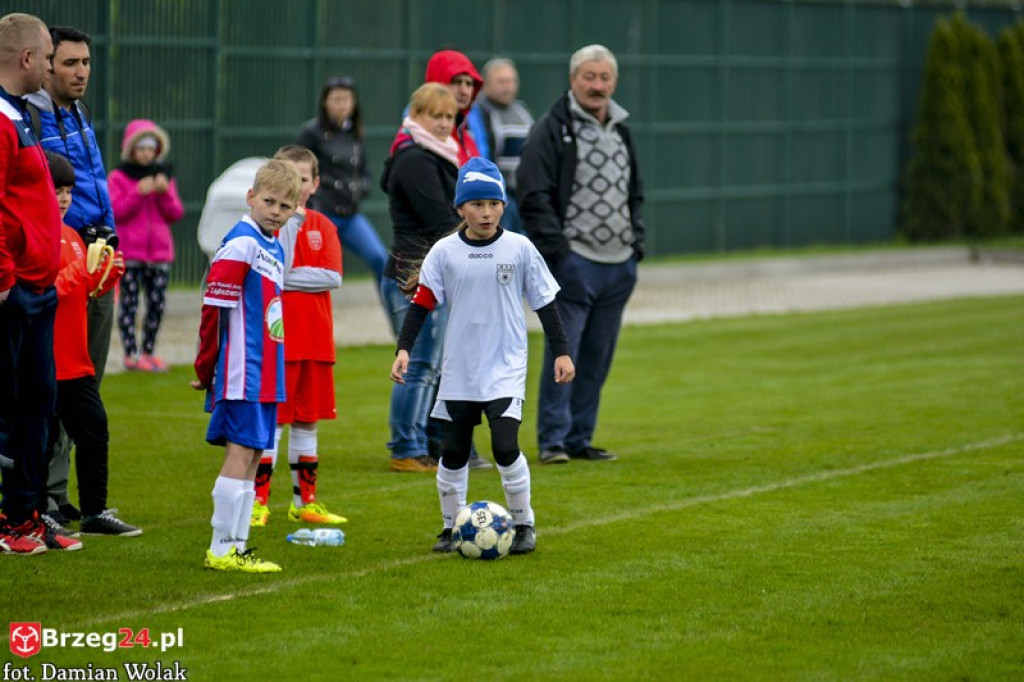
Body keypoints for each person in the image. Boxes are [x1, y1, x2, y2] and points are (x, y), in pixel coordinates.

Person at [390, 157, 574, 555]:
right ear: (460, 209)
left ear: (503, 205)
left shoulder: (519, 247)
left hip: (505, 366)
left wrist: (561, 352)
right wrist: (403, 349)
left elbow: (545, 303)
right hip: (460, 370)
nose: (486, 212)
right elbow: (421, 304)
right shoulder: (445, 252)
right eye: (476, 204)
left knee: (505, 446)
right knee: (453, 451)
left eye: (493, 203)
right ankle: (450, 528)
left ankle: (524, 524)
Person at [516, 44, 645, 465]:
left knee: (597, 358)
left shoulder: (622, 129)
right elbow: (532, 194)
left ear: (614, 82)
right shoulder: (551, 129)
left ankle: (579, 437)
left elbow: (635, 193)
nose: (597, 85)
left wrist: (635, 246)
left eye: (604, 78)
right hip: (573, 263)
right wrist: (559, 254)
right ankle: (553, 439)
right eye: (589, 77)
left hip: (618, 263)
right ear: (573, 80)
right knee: (564, 353)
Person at [191, 159, 300, 574]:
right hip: (242, 371)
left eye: (285, 206)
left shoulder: (272, 243)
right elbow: (212, 311)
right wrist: (206, 369)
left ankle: (238, 545)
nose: (276, 211)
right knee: (240, 453)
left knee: (256, 453)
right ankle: (221, 548)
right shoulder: (241, 243)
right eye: (269, 201)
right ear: (250, 197)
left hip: (266, 371)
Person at [44, 150, 141, 541]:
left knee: (94, 429)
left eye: (68, 190)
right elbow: (40, 296)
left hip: (74, 359)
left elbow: (82, 292)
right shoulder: (33, 238)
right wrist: (77, 272)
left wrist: (106, 273)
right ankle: (34, 513)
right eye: (56, 190)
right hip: (43, 360)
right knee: (41, 439)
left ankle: (94, 512)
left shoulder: (71, 235)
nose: (64, 198)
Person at [250, 145, 346, 528]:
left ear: (314, 183)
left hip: (316, 341)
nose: (295, 185)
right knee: (272, 421)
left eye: (302, 179)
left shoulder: (323, 225)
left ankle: (304, 501)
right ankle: (258, 501)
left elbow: (333, 277)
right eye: (287, 176)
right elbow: (275, 269)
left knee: (308, 421)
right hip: (278, 340)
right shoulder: (269, 225)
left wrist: (289, 279)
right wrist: (293, 266)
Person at [0, 12, 61, 555]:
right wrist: (4, 277)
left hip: (41, 288)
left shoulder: (22, 115)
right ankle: (12, 518)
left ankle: (27, 516)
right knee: (12, 407)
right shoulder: (0, 118)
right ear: (25, 59)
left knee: (38, 404)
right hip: (15, 289)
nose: (51, 64)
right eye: (46, 56)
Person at [25, 26, 117, 384]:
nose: (82, 72)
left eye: (87, 62)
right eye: (70, 63)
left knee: (91, 380)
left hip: (99, 260)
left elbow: (96, 182)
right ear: (47, 67)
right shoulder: (28, 118)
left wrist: (111, 240)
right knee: (58, 381)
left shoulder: (81, 111)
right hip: (60, 264)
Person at [379, 83, 462, 473]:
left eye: (449, 117)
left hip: (431, 273)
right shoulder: (415, 160)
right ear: (416, 116)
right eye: (437, 116)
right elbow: (442, 219)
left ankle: (421, 443)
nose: (445, 124)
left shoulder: (438, 155)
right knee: (417, 363)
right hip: (410, 274)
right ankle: (405, 448)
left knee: (430, 365)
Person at [295, 76, 388, 293]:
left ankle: (401, 324)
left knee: (380, 259)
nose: (342, 104)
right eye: (336, 99)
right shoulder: (310, 133)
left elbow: (364, 168)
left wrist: (362, 187)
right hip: (321, 213)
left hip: (350, 214)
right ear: (325, 102)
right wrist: (313, 202)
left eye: (347, 99)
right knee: (317, 270)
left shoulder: (353, 132)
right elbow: (293, 167)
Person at [108, 118, 184, 373]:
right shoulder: (118, 177)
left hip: (160, 254)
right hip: (130, 254)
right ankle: (131, 354)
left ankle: (149, 352)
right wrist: (137, 192)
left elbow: (175, 214)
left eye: (151, 149)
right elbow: (115, 212)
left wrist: (164, 192)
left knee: (157, 305)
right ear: (131, 149)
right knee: (129, 305)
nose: (147, 153)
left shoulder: (164, 177)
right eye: (142, 148)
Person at [472, 58, 534, 234]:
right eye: (501, 81)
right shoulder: (479, 112)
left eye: (512, 81)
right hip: (497, 197)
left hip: (522, 195)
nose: (508, 87)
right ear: (486, 84)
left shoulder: (522, 111)